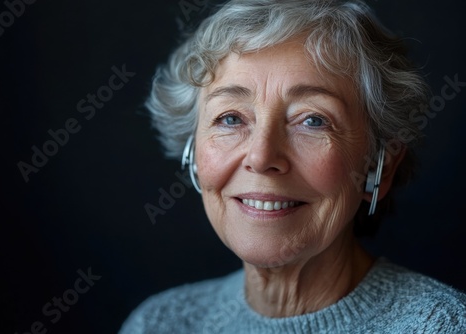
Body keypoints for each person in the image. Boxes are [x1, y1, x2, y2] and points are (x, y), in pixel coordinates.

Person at [120, 0, 466, 332]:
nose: (261, 157)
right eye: (230, 118)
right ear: (193, 153)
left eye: (313, 121)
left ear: (381, 166)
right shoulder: (159, 323)